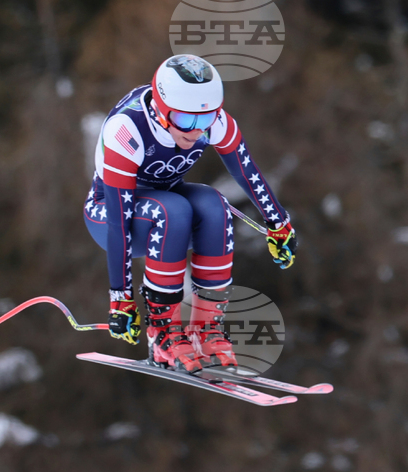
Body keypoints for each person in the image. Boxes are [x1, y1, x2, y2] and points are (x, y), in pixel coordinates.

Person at [84, 54, 297, 373]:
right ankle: (163, 334)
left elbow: (246, 172)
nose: (196, 132)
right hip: (109, 215)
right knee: (172, 210)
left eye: (206, 121)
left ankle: (206, 329)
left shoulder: (212, 122)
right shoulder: (127, 130)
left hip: (168, 207)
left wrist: (279, 224)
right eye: (186, 121)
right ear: (161, 109)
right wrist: (121, 298)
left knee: (215, 205)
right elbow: (118, 222)